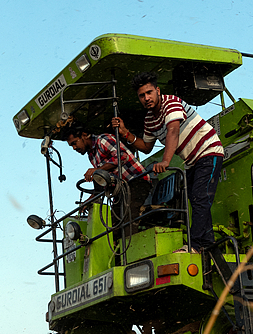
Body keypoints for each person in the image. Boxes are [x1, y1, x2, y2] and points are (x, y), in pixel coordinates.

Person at [111, 72, 224, 253]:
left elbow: (173, 131)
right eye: (142, 95)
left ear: (157, 90)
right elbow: (146, 146)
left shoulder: (170, 103)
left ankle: (195, 245)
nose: (146, 98)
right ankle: (208, 242)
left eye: (149, 92)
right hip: (192, 161)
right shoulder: (149, 119)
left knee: (200, 197)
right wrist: (125, 133)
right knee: (194, 198)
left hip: (209, 151)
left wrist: (165, 161)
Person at [62, 126, 151, 239]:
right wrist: (87, 203)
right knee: (113, 222)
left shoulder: (103, 140)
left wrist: (97, 170)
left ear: (84, 135)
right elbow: (102, 185)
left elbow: (122, 156)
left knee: (128, 215)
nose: (74, 148)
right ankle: (118, 251)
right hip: (121, 189)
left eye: (75, 143)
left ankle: (132, 249)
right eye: (71, 146)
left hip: (137, 181)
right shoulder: (92, 155)